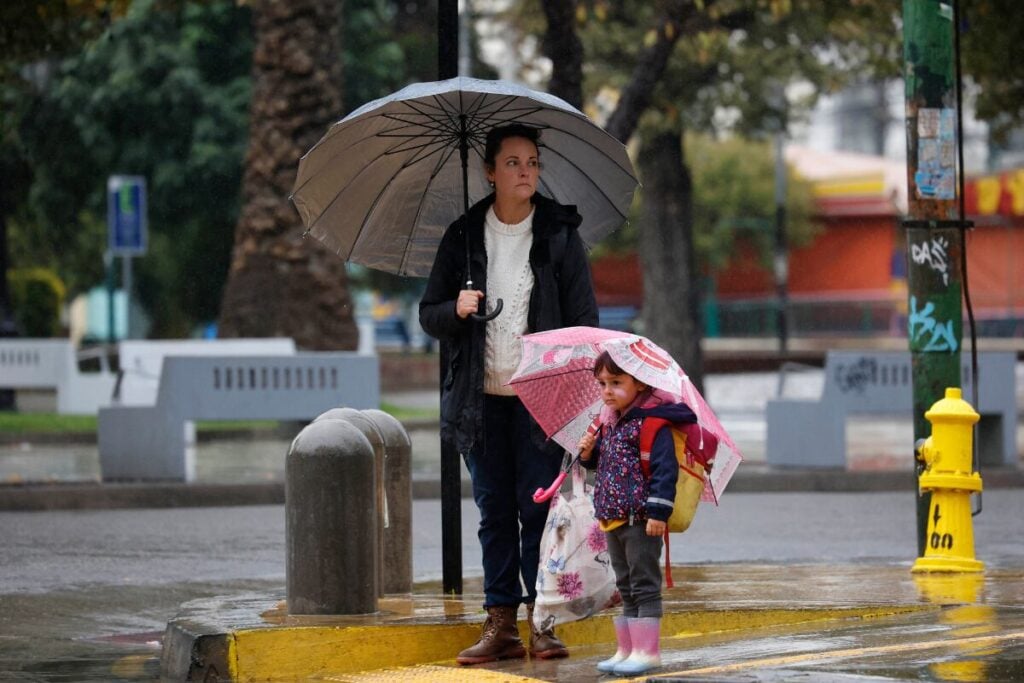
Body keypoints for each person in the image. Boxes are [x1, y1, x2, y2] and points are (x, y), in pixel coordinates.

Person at [419, 124, 599, 664]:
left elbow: (585, 322)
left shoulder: (561, 236)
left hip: (541, 403)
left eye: (533, 163)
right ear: (491, 172)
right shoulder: (464, 237)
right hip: (480, 402)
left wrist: (580, 396)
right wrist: (457, 309)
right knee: (493, 510)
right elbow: (428, 314)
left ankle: (542, 621)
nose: (526, 172)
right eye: (514, 163)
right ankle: (501, 624)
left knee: (538, 513)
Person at [577, 351, 697, 675]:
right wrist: (589, 454)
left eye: (616, 383)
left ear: (640, 382)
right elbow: (606, 465)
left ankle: (648, 651)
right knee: (625, 586)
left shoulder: (651, 424)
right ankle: (627, 649)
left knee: (644, 584)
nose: (606, 390)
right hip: (613, 519)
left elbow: (663, 471)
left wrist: (658, 513)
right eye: (602, 383)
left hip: (641, 521)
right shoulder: (610, 422)